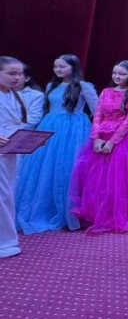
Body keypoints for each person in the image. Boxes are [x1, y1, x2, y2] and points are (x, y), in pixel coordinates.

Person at [70, 61, 128, 234]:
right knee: (100, 178)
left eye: (122, 74)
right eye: (115, 73)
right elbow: (97, 115)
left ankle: (121, 214)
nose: (117, 76)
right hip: (102, 136)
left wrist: (112, 142)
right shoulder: (106, 92)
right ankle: (99, 213)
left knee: (121, 177)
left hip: (126, 139)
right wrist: (96, 138)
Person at [16, 54, 98, 234]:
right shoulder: (51, 86)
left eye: (62, 66)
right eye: (56, 66)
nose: (58, 70)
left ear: (73, 67)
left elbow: (97, 112)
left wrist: (98, 134)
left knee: (69, 167)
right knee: (46, 168)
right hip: (50, 126)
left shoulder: (84, 86)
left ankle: (71, 212)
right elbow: (44, 109)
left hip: (74, 130)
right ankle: (46, 207)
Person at [0, 57, 26, 259]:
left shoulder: (15, 95)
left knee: (8, 195)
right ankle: (5, 242)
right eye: (11, 73)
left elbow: (17, 124)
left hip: (11, 152)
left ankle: (6, 240)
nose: (17, 77)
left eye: (20, 74)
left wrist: (30, 139)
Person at [17, 64, 44, 128]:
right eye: (11, 74)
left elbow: (34, 119)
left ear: (27, 78)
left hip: (22, 130)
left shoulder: (36, 95)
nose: (15, 78)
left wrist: (11, 128)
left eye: (19, 74)